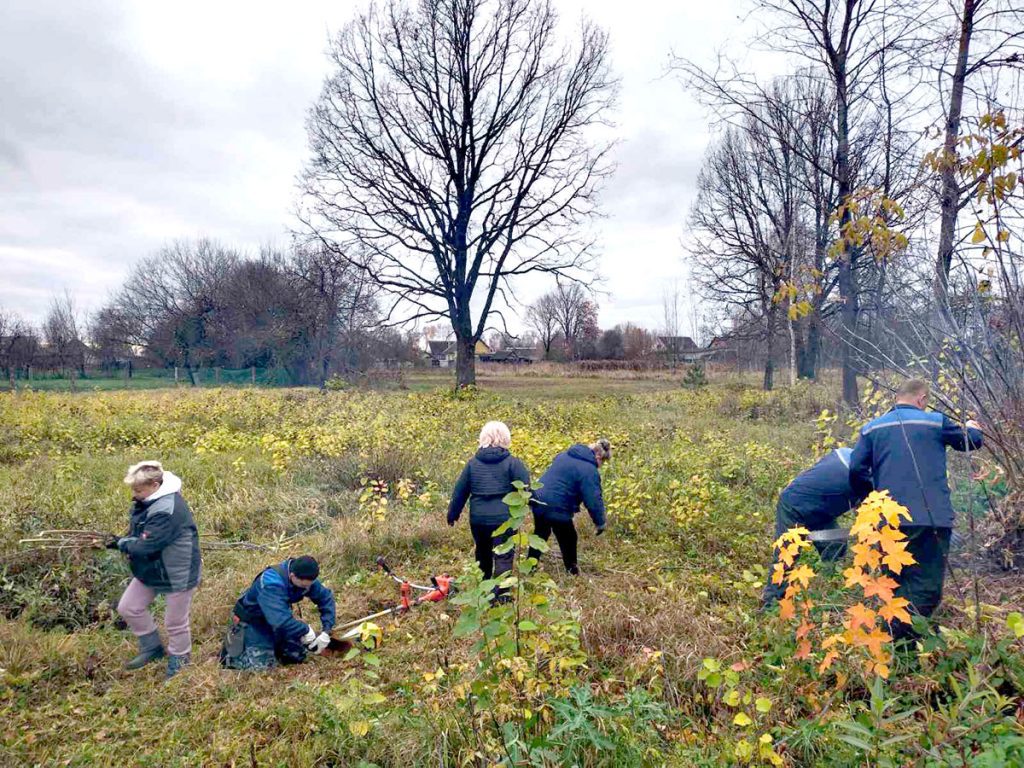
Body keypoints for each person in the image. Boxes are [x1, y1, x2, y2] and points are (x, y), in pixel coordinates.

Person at [849, 378, 983, 637]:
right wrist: (971, 427)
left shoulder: (871, 428)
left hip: (886, 521)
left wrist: (871, 501)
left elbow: (856, 469)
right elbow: (972, 442)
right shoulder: (935, 422)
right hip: (930, 518)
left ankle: (893, 641)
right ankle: (904, 643)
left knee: (894, 583)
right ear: (922, 399)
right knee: (927, 587)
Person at [111, 461, 202, 679]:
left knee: (175, 622)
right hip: (152, 568)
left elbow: (147, 545)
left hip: (177, 571)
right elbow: (141, 535)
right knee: (129, 607)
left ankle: (180, 660)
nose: (134, 495)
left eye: (138, 490)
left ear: (154, 484)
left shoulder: (167, 509)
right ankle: (152, 648)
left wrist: (121, 543)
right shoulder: (149, 500)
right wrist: (124, 539)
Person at [762, 448, 854, 607]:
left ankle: (828, 587)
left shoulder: (851, 456)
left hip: (820, 511)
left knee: (835, 545)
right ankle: (771, 604)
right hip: (794, 507)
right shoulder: (864, 473)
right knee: (786, 556)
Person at [447, 421, 530, 583]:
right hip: (504, 519)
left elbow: (460, 492)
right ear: (506, 438)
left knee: (482, 552)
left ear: (483, 438)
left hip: (478, 518)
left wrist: (452, 514)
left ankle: (483, 588)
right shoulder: (513, 463)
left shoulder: (472, 463)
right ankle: (501, 595)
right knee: (503, 556)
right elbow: (526, 489)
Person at [221, 555, 336, 670]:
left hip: (276, 620)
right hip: (253, 622)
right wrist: (305, 630)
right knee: (262, 668)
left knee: (296, 656)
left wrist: (326, 630)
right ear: (292, 576)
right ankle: (236, 650)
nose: (307, 588)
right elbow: (279, 620)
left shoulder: (304, 577)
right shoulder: (271, 583)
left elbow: (325, 598)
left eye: (310, 584)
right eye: (303, 586)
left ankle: (273, 643)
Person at [527, 439, 610, 574]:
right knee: (569, 537)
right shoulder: (589, 470)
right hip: (557, 505)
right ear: (598, 457)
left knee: (541, 532)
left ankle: (529, 567)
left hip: (537, 498)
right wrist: (600, 522)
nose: (600, 465)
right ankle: (572, 571)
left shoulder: (564, 455)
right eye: (602, 462)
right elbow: (593, 499)